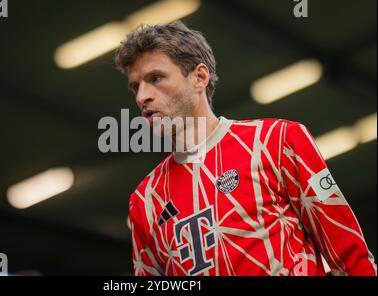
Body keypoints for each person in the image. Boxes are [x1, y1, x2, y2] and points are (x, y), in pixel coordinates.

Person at [114, 20, 377, 276]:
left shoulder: (278, 140)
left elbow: (350, 253)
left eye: (155, 78)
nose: (141, 97)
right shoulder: (145, 201)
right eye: (135, 86)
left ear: (199, 77)